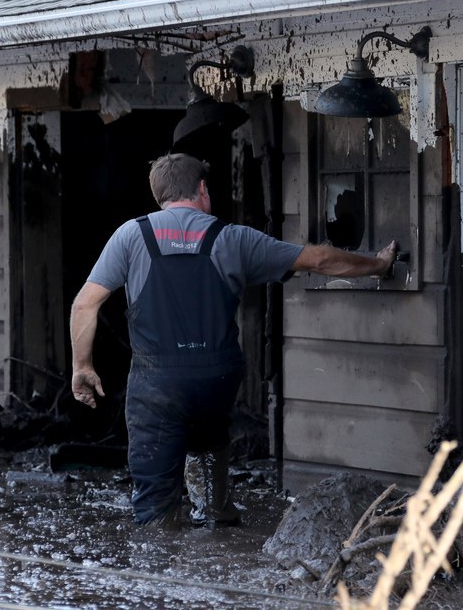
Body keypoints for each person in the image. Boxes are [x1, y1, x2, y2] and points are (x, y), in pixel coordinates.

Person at [69, 153, 397, 528]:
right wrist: (378, 264)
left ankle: (164, 563)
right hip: (216, 382)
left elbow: (85, 305)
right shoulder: (232, 239)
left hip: (157, 387)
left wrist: (83, 367)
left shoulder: (131, 236)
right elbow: (319, 260)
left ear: (158, 195)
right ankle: (214, 515)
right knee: (210, 475)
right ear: (202, 190)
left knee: (154, 513)